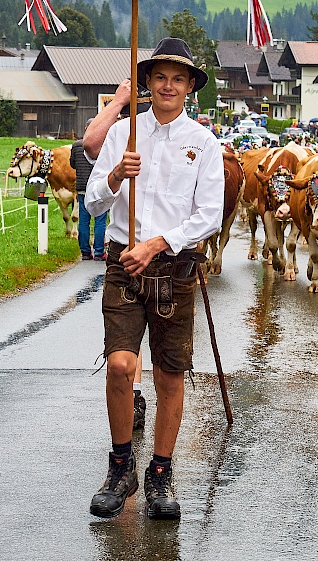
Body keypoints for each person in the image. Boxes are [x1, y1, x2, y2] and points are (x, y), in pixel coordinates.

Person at [85, 38, 224, 520]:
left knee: (168, 375)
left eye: (178, 78)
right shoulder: (125, 134)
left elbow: (209, 217)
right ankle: (121, 466)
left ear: (189, 88)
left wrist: (159, 243)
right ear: (146, 82)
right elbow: (92, 202)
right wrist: (116, 177)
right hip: (124, 264)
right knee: (121, 365)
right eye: (160, 77)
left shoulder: (204, 143)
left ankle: (160, 473)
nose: (168, 85)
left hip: (175, 269)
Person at [84, 78, 147, 430]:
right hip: (123, 230)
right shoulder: (121, 122)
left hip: (167, 247)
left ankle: (136, 390)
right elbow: (91, 143)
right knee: (127, 336)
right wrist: (120, 100)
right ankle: (134, 393)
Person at [70, 119, 109, 261]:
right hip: (99, 188)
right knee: (100, 220)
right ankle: (99, 252)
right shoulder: (104, 144)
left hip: (82, 188)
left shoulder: (76, 146)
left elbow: (72, 164)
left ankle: (85, 252)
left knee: (83, 221)